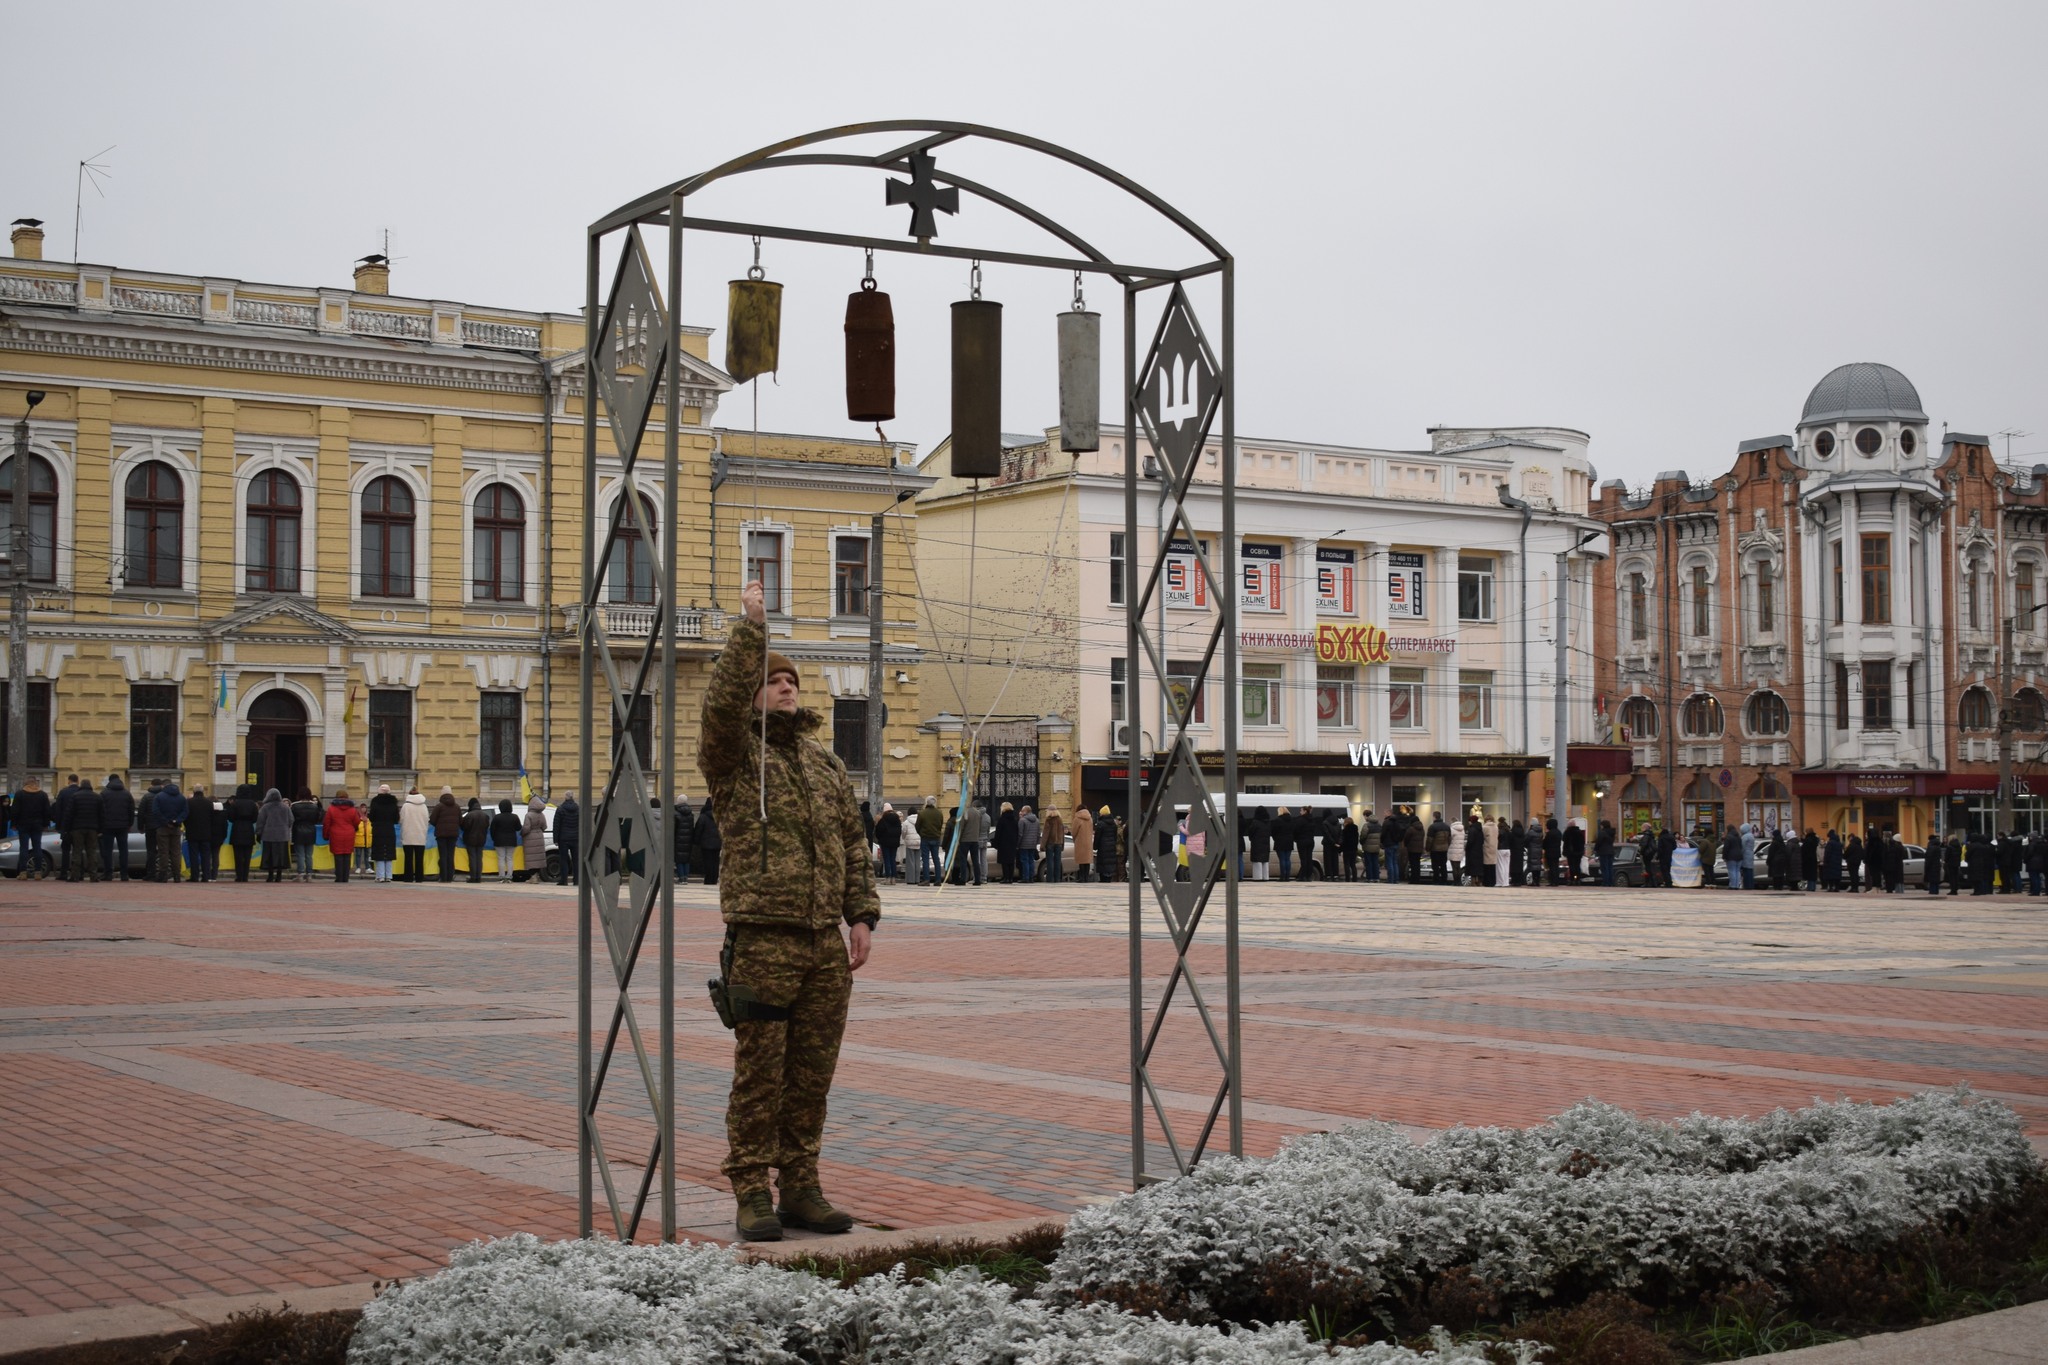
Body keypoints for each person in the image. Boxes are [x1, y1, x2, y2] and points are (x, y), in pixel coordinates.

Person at [699, 579, 877, 1243]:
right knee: (759, 1074)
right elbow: (717, 709)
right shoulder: (734, 757)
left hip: (822, 945)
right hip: (763, 942)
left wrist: (861, 913)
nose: (785, 687)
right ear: (752, 690)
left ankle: (800, 1183)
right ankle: (750, 1186)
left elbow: (852, 844)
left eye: (791, 680)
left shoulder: (824, 764)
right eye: (772, 680)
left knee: (811, 1074)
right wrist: (751, 630)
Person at [98, 774, 135, 882]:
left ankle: (108, 874)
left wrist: (101, 826)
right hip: (123, 826)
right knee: (123, 850)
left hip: (107, 826)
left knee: (107, 851)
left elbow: (100, 811)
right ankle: (124, 874)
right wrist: (129, 824)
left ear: (109, 781)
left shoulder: (104, 793)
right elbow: (131, 811)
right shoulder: (127, 794)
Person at [12, 777, 51, 878]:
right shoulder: (42, 794)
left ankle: (23, 872)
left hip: (23, 824)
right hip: (38, 825)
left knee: (24, 848)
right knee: (37, 847)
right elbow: (47, 811)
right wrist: (46, 824)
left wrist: (14, 824)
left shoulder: (20, 794)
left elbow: (15, 810)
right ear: (36, 784)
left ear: (26, 784)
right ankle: (38, 872)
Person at [257, 788, 292, 883]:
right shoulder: (285, 807)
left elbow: (260, 821)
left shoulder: (265, 807)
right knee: (281, 856)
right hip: (282, 836)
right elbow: (291, 820)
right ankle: (279, 876)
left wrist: (259, 833)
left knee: (270, 856)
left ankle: (270, 875)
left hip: (269, 835)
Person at [184, 787, 218, 882]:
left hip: (192, 833)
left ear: (194, 792)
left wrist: (188, 827)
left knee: (193, 856)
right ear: (202, 792)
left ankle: (194, 876)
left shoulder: (189, 803)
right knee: (206, 856)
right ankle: (206, 876)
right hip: (206, 834)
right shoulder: (209, 803)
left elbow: (185, 817)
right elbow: (213, 818)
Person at [324, 791, 359, 883]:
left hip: (335, 833)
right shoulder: (353, 809)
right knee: (347, 856)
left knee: (338, 856)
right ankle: (345, 877)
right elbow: (357, 822)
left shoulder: (331, 809)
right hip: (349, 834)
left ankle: (339, 877)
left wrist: (326, 835)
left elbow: (327, 823)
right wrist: (353, 829)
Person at [369, 784, 401, 883]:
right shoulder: (393, 802)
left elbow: (372, 816)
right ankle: (389, 875)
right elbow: (396, 818)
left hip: (378, 829)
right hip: (389, 829)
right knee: (389, 852)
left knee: (379, 852)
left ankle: (380, 876)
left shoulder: (375, 801)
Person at [290, 788, 323, 883]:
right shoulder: (314, 806)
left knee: (300, 855)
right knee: (309, 855)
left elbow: (292, 819)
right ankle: (309, 875)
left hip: (298, 831)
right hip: (311, 831)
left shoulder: (294, 806)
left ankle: (300, 874)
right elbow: (317, 818)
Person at [399, 787, 430, 882]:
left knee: (408, 858)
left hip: (408, 834)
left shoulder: (405, 806)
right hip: (420, 835)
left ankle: (408, 877)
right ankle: (419, 877)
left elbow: (401, 820)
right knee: (419, 858)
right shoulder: (424, 806)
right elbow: (427, 820)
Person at [433, 788, 464, 882]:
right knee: (451, 855)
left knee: (443, 856)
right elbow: (460, 821)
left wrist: (439, 826)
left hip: (441, 835)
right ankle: (450, 877)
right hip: (453, 834)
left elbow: (433, 820)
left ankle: (443, 877)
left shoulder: (439, 806)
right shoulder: (457, 807)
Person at [53, 775, 81, 880]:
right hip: (78, 826)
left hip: (66, 827)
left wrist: (58, 826)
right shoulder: (81, 792)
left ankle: (64, 873)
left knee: (65, 850)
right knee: (78, 850)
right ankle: (79, 873)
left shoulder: (63, 792)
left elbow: (58, 810)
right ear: (78, 781)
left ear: (68, 780)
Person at [490, 798, 522, 882]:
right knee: (510, 858)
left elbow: (492, 830)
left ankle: (501, 876)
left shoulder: (497, 817)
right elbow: (519, 828)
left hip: (499, 841)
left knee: (501, 858)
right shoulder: (515, 817)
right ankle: (509, 876)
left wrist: (494, 838)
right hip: (511, 841)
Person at [958, 800, 989, 886]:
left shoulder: (965, 813)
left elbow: (961, 827)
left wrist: (958, 839)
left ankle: (963, 879)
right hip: (975, 840)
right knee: (975, 860)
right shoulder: (978, 813)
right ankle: (978, 879)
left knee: (963, 859)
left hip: (965, 840)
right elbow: (979, 826)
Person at [460, 797, 491, 883]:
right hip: (481, 839)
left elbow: (464, 827)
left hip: (470, 839)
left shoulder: (469, 815)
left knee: (472, 858)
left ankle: (473, 877)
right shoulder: (485, 815)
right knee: (479, 858)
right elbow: (486, 827)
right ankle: (478, 877)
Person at [914, 797, 944, 885]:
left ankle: (926, 879)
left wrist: (921, 834)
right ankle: (938, 880)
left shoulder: (922, 813)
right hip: (936, 838)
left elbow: (917, 826)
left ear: (926, 803)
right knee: (936, 859)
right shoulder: (939, 813)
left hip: (925, 838)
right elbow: (940, 824)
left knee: (925, 859)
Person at [692, 797, 721, 885]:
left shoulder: (703, 816)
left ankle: (708, 879)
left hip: (706, 844)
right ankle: (714, 879)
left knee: (707, 861)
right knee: (716, 861)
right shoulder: (719, 816)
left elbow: (698, 829)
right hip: (717, 843)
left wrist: (696, 841)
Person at [554, 792, 581, 885]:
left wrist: (555, 839)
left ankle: (564, 880)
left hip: (563, 838)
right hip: (576, 838)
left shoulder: (560, 809)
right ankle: (576, 880)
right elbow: (582, 824)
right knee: (576, 860)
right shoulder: (578, 809)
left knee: (563, 859)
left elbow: (556, 825)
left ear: (565, 798)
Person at [521, 795, 549, 882]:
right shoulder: (542, 815)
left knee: (531, 858)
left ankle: (533, 877)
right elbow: (544, 827)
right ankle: (536, 876)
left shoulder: (528, 815)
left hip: (530, 838)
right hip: (539, 836)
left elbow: (526, 828)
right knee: (538, 858)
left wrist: (522, 833)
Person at [993, 801, 1020, 883]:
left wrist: (995, 843)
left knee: (1004, 862)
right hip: (1012, 843)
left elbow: (998, 832)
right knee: (1011, 861)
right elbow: (1017, 832)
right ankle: (1010, 878)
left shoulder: (1002, 820)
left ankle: (1006, 877)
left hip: (1003, 844)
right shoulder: (1014, 819)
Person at [673, 796, 697, 885]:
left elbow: (674, 828)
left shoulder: (675, 813)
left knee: (679, 859)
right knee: (686, 859)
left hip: (678, 839)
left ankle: (681, 878)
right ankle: (686, 878)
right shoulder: (691, 814)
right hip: (688, 839)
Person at [1071, 804, 1093, 884]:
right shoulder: (1090, 818)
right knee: (1087, 861)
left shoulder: (1077, 818)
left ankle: (1081, 877)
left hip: (1080, 841)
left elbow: (1074, 831)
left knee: (1081, 861)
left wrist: (1074, 838)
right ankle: (1086, 878)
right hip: (1088, 842)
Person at [1015, 804, 1037, 883]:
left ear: (1025, 811)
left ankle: (1025, 878)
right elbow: (1038, 833)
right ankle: (1031, 877)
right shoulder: (1036, 820)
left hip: (1024, 844)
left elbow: (1020, 834)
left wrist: (1017, 844)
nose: (1021, 812)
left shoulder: (1022, 820)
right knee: (1031, 860)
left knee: (1024, 861)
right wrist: (1036, 842)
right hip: (1033, 844)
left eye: (1022, 810)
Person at [1360, 811, 1382, 884]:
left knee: (1368, 863)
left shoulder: (1366, 825)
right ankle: (1376, 878)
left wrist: (1362, 842)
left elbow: (1363, 836)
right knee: (1375, 862)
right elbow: (1381, 836)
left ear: (1367, 816)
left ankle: (1370, 878)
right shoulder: (1379, 825)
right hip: (1376, 847)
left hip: (1367, 847)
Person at [1721, 825, 1744, 891]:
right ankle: (1737, 885)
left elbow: (1726, 848)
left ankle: (1732, 885)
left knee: (1732, 871)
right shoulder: (1738, 837)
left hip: (1731, 856)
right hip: (1739, 856)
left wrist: (1724, 856)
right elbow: (1741, 846)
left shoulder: (1728, 837)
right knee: (1737, 871)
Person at [1563, 819, 1586, 885]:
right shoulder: (1579, 832)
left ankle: (1572, 879)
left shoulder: (1567, 832)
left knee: (1571, 866)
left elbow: (1564, 840)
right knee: (1577, 865)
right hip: (1578, 852)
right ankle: (1578, 879)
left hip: (1570, 852)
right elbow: (1582, 842)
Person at [1594, 820, 1616, 887]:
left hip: (1603, 852)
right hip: (1611, 851)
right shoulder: (1612, 832)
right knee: (1610, 867)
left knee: (1604, 868)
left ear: (1603, 825)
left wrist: (1596, 849)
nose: (1600, 826)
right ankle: (1610, 882)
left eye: (1601, 825)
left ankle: (1605, 882)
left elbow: (1598, 842)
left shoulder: (1602, 832)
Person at [1800, 828, 1820, 893]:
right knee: (1813, 874)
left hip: (1807, 859)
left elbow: (1804, 850)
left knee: (1809, 874)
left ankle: (1810, 887)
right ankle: (1812, 887)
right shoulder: (1815, 839)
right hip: (1813, 858)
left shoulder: (1808, 840)